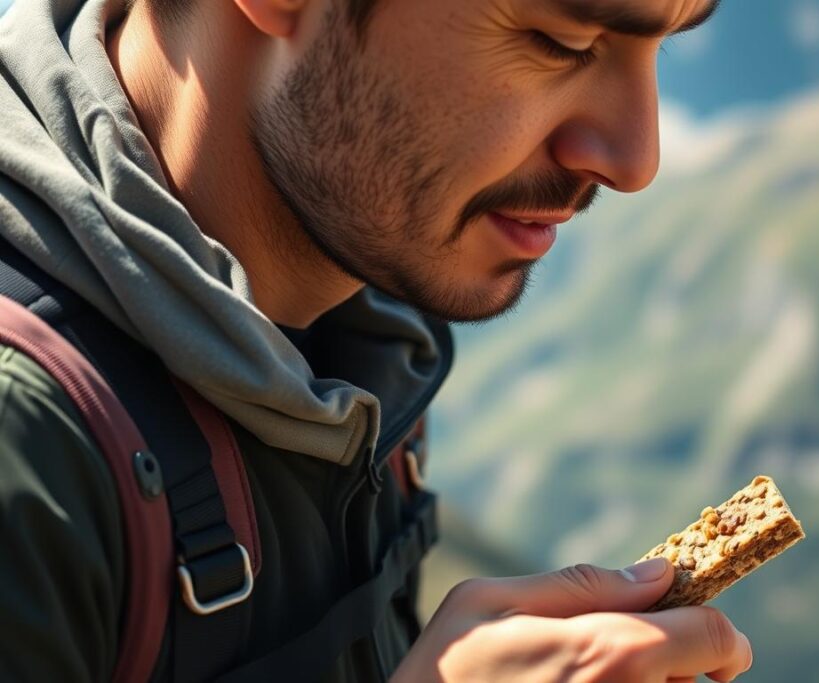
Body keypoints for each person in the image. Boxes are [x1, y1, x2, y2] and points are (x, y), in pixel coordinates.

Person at [0, 0, 753, 680]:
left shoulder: (370, 314)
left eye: (665, 49)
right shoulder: (24, 442)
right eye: (559, 42)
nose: (635, 159)